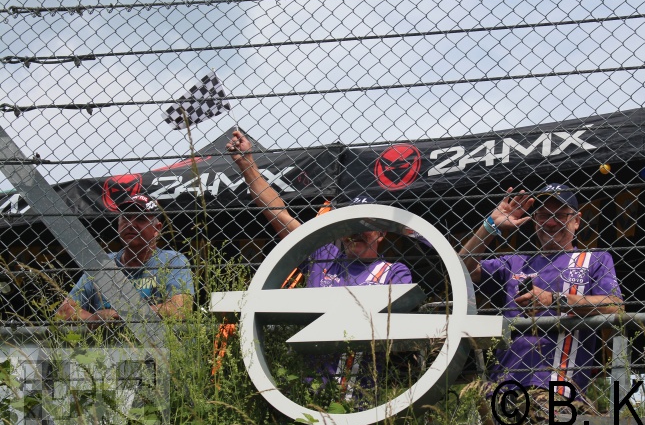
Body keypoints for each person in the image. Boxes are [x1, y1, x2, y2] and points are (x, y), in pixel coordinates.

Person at [226, 130, 412, 401]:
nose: (356, 232)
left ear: (382, 232)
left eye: (366, 226)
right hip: (308, 392)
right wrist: (248, 165)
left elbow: (397, 329)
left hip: (361, 395)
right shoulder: (322, 255)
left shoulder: (394, 272)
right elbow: (278, 214)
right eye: (349, 225)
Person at [459, 183, 623, 423]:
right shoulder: (515, 262)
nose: (551, 222)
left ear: (577, 220)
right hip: (501, 387)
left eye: (560, 215)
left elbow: (615, 305)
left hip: (555, 389)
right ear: (535, 220)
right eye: (544, 215)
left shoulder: (593, 259)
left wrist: (554, 300)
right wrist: (490, 226)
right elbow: (460, 270)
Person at [56, 192, 194, 323]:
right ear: (118, 225)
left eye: (140, 219)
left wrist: (121, 314)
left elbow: (180, 310)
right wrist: (95, 319)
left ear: (156, 229)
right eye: (126, 217)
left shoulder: (172, 261)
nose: (130, 224)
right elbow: (63, 312)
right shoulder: (102, 263)